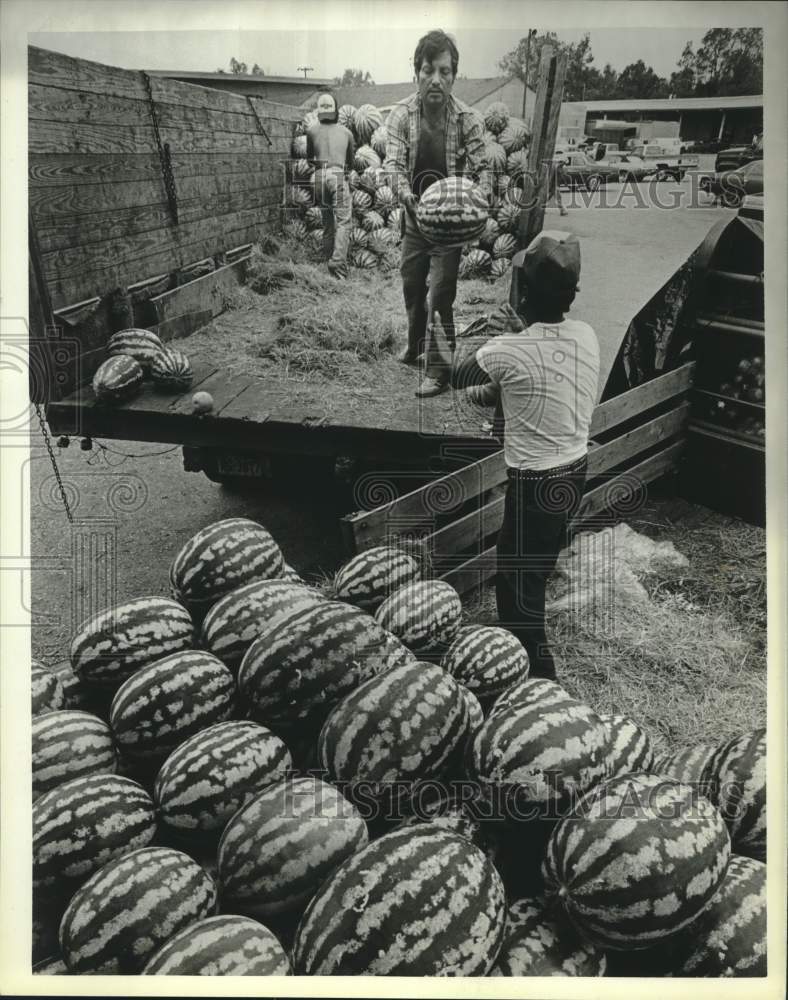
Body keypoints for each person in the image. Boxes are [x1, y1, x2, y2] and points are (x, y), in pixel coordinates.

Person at [431, 231, 600, 679]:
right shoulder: (585, 335)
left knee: (516, 587)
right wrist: (519, 333)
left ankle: (539, 683)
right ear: (570, 295)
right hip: (575, 470)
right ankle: (525, 654)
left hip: (535, 484)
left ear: (522, 292)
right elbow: (525, 376)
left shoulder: (507, 349)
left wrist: (445, 326)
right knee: (536, 566)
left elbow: (452, 374)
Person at [384, 29, 492, 397]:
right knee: (412, 287)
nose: (436, 79)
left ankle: (440, 370)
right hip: (415, 216)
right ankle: (415, 344)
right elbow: (393, 166)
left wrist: (478, 200)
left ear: (453, 76)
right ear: (417, 72)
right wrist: (406, 197)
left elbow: (484, 170)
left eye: (445, 72)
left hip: (451, 226)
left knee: (441, 295)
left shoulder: (468, 119)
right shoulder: (401, 115)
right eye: (429, 70)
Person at [306, 89, 355, 278]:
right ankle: (337, 262)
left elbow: (310, 158)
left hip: (318, 177)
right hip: (337, 174)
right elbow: (350, 162)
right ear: (337, 110)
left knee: (327, 222)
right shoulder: (347, 132)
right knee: (344, 222)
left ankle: (327, 257)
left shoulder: (311, 130)